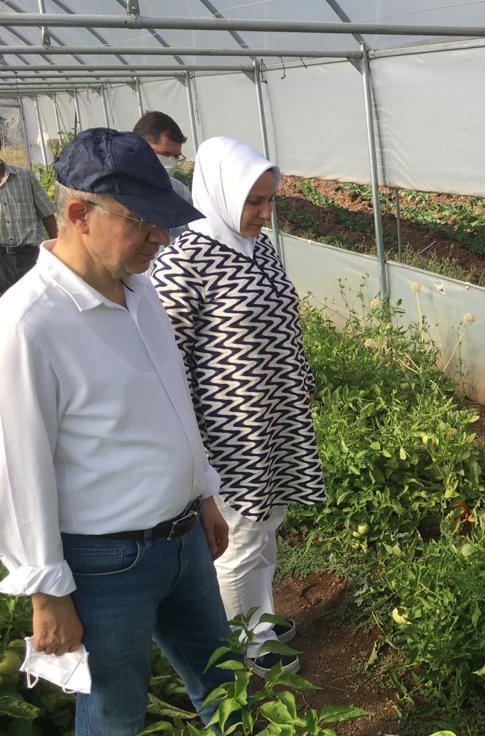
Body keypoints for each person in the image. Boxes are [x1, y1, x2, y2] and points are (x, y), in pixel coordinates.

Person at [0, 128, 234, 736]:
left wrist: (204, 494)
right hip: (107, 564)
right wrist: (47, 590)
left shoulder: (139, 291)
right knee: (115, 721)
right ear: (79, 214)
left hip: (182, 540)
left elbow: (172, 401)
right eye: (143, 222)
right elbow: (17, 468)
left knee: (225, 682)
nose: (161, 238)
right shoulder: (28, 324)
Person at [151, 136, 325, 676]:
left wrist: (298, 383)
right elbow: (167, 360)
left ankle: (259, 615)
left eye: (270, 200)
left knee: (267, 521)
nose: (264, 213)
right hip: (229, 429)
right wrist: (189, 441)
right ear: (221, 191)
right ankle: (246, 641)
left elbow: (283, 323)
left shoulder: (260, 248)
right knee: (241, 531)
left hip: (276, 415)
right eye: (254, 201)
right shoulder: (185, 260)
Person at [0, 124, 58, 303]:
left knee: (38, 303)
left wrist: (58, 247)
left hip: (29, 254)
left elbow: (47, 214)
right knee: (1, 308)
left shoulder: (24, 176)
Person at [133, 111, 192, 241]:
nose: (171, 162)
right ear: (138, 148)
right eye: (165, 154)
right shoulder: (118, 195)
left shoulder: (181, 192)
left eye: (176, 156)